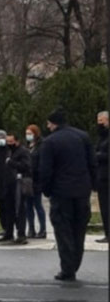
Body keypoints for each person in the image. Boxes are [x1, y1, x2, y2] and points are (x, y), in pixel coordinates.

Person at [39, 109, 96, 281]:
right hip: (82, 191)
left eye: (48, 123)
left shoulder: (50, 142)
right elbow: (92, 163)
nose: (48, 126)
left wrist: (46, 190)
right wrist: (92, 185)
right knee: (79, 229)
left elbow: (45, 170)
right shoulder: (83, 137)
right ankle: (75, 262)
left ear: (53, 123)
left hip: (61, 192)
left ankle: (68, 268)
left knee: (63, 231)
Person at [5, 133, 32, 245]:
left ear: (17, 141)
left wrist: (11, 163)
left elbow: (26, 166)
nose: (9, 144)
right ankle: (9, 233)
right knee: (9, 209)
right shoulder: (9, 151)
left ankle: (21, 234)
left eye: (11, 142)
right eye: (7, 141)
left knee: (20, 209)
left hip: (19, 182)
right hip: (10, 182)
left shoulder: (23, 151)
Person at [25, 124, 47, 239]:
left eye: (30, 133)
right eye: (27, 134)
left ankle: (43, 229)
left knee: (37, 204)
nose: (28, 136)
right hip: (28, 179)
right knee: (28, 205)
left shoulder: (41, 146)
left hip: (36, 179)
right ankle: (31, 228)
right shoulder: (28, 145)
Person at [95, 111, 109, 243]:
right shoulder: (101, 137)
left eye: (102, 121)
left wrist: (97, 156)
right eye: (98, 121)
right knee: (104, 207)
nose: (99, 124)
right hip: (101, 176)